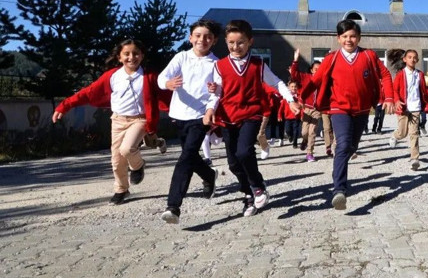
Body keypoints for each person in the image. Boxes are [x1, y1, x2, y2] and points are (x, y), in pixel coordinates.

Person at [52, 39, 169, 205]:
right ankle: (121, 189)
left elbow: (167, 95)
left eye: (136, 53)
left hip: (140, 119)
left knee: (127, 149)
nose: (131, 57)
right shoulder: (113, 76)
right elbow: (87, 92)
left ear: (142, 55)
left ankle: (138, 166)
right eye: (126, 54)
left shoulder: (149, 76)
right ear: (119, 57)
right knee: (116, 159)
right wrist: (64, 106)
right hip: (118, 120)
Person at [204, 19, 299, 217]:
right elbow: (216, 92)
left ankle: (257, 186)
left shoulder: (258, 64)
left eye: (240, 42)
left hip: (251, 114)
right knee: (233, 163)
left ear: (250, 42)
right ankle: (249, 195)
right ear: (226, 42)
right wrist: (210, 109)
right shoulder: (220, 65)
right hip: (228, 117)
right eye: (231, 42)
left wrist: (290, 100)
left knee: (244, 152)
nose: (235, 47)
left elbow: (278, 83)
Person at [302, 19, 394, 210]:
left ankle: (341, 157)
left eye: (352, 36)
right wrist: (300, 98)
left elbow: (385, 75)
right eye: (344, 36)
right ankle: (339, 190)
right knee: (343, 145)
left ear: (359, 37)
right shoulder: (331, 59)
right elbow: (315, 81)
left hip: (361, 110)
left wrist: (389, 98)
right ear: (338, 39)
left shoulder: (368, 56)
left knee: (351, 146)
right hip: (339, 108)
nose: (349, 40)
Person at [157, 19, 222, 224]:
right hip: (179, 115)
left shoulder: (216, 63)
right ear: (190, 37)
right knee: (190, 155)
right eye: (198, 35)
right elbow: (161, 78)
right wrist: (168, 83)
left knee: (185, 159)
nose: (202, 39)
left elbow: (218, 92)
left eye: (208, 36)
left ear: (214, 41)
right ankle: (209, 175)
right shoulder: (181, 57)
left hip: (200, 117)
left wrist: (211, 105)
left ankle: (173, 206)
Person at [387, 49, 428, 171]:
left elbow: (423, 91)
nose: (412, 59)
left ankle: (414, 158)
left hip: (415, 107)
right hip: (403, 108)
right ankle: (395, 137)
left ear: (417, 60)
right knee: (402, 132)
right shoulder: (400, 74)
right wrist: (396, 101)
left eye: (414, 57)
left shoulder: (420, 74)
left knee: (414, 134)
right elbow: (394, 90)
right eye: (410, 57)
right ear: (405, 59)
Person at [289, 49, 321, 161]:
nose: (318, 71)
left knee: (312, 132)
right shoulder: (306, 78)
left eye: (320, 70)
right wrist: (295, 60)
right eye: (316, 69)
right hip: (306, 109)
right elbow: (294, 74)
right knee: (304, 132)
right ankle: (304, 140)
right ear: (312, 70)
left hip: (317, 110)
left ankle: (309, 153)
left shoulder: (324, 81)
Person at [257, 84, 279, 160]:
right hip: (251, 113)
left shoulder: (263, 84)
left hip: (264, 113)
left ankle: (265, 147)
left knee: (260, 133)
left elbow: (276, 91)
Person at [281, 80, 303, 148]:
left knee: (296, 130)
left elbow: (302, 107)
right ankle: (290, 136)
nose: (294, 88)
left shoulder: (299, 97)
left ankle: (295, 143)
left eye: (295, 86)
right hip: (288, 117)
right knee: (288, 130)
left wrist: (302, 115)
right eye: (292, 86)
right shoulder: (286, 97)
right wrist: (279, 115)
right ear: (289, 87)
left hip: (296, 117)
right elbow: (281, 107)